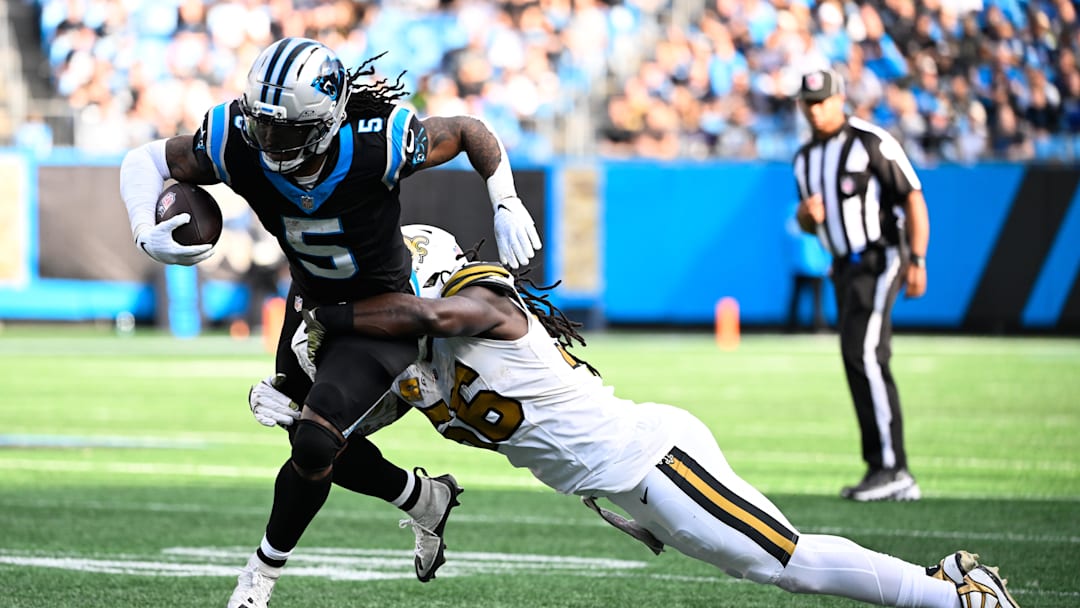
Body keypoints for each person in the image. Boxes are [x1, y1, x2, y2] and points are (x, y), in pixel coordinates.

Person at [252, 224, 1018, 608]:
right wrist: (301, 411)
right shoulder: (415, 363)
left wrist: (343, 314)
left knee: (784, 562)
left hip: (650, 458)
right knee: (763, 564)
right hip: (625, 476)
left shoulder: (485, 304)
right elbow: (341, 447)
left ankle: (957, 594)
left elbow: (428, 311)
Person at [118, 38, 542, 608]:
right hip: (312, 302)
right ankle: (423, 499)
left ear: (324, 120)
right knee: (312, 443)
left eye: (282, 130)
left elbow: (468, 130)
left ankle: (257, 580)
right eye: (261, 123)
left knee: (316, 438)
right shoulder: (236, 136)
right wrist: (145, 228)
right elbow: (145, 160)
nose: (267, 139)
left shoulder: (378, 141)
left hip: (383, 309)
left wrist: (506, 199)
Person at [792, 68, 930, 502]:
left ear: (840, 100)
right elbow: (808, 221)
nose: (816, 111)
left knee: (865, 353)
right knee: (856, 356)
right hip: (844, 266)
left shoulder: (871, 141)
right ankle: (881, 465)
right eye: (808, 103)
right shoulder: (804, 160)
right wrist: (808, 220)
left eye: (822, 102)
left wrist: (919, 258)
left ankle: (893, 468)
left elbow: (912, 195)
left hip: (882, 256)